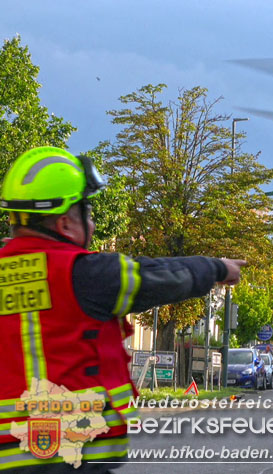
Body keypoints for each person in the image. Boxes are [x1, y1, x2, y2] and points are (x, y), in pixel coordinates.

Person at [0, 147, 247, 473]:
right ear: (64, 223)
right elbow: (160, 276)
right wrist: (217, 268)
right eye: (87, 212)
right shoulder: (85, 274)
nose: (91, 222)